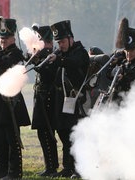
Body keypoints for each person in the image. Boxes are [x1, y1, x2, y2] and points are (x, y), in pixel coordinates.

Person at [0, 16, 31, 180]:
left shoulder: (16, 54)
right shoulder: (1, 53)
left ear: (12, 38)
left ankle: (14, 173)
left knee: (12, 140)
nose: (2, 41)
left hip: (10, 102)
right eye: (1, 38)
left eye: (6, 38)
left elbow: (5, 64)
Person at [48, 20, 89, 178]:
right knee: (64, 133)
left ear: (71, 39)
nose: (61, 45)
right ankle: (67, 167)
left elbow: (73, 64)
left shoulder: (80, 52)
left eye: (63, 41)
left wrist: (58, 59)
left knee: (76, 135)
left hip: (76, 98)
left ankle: (79, 169)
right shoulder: (60, 53)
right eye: (58, 42)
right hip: (61, 99)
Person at [30, 24, 59, 176]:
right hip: (41, 96)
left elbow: (48, 75)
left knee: (47, 132)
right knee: (43, 133)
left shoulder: (50, 54)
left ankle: (52, 167)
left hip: (48, 98)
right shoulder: (42, 54)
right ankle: (50, 165)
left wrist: (37, 64)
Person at [107, 17, 135, 103]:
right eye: (127, 51)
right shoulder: (123, 61)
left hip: (131, 105)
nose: (128, 54)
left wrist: (122, 79)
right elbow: (108, 72)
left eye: (132, 51)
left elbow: (132, 83)